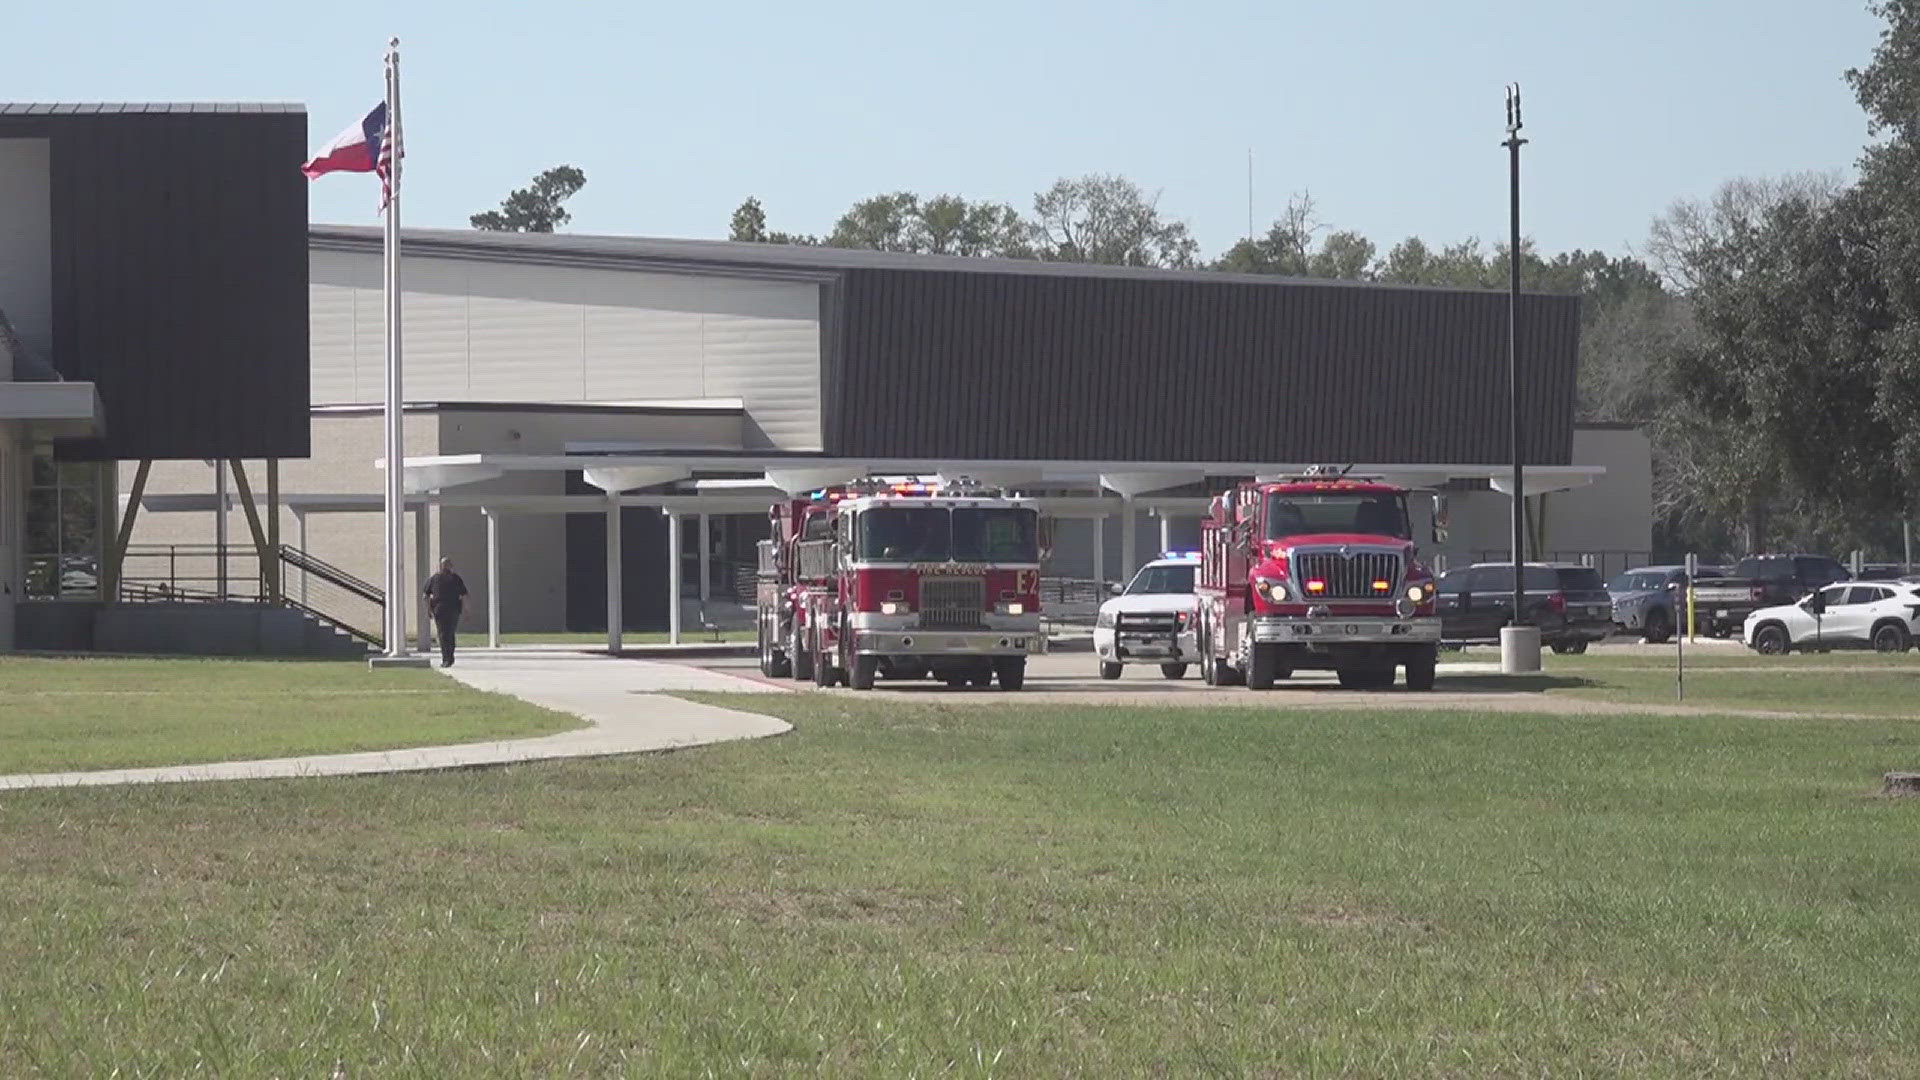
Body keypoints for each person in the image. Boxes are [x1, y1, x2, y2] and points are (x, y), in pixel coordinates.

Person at [422, 557, 469, 667]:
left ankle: (448, 658)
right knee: (446, 634)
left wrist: (467, 610)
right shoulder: (435, 579)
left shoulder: (455, 579)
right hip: (443, 610)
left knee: (446, 634)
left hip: (449, 610)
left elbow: (464, 595)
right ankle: (447, 658)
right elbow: (426, 595)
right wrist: (429, 609)